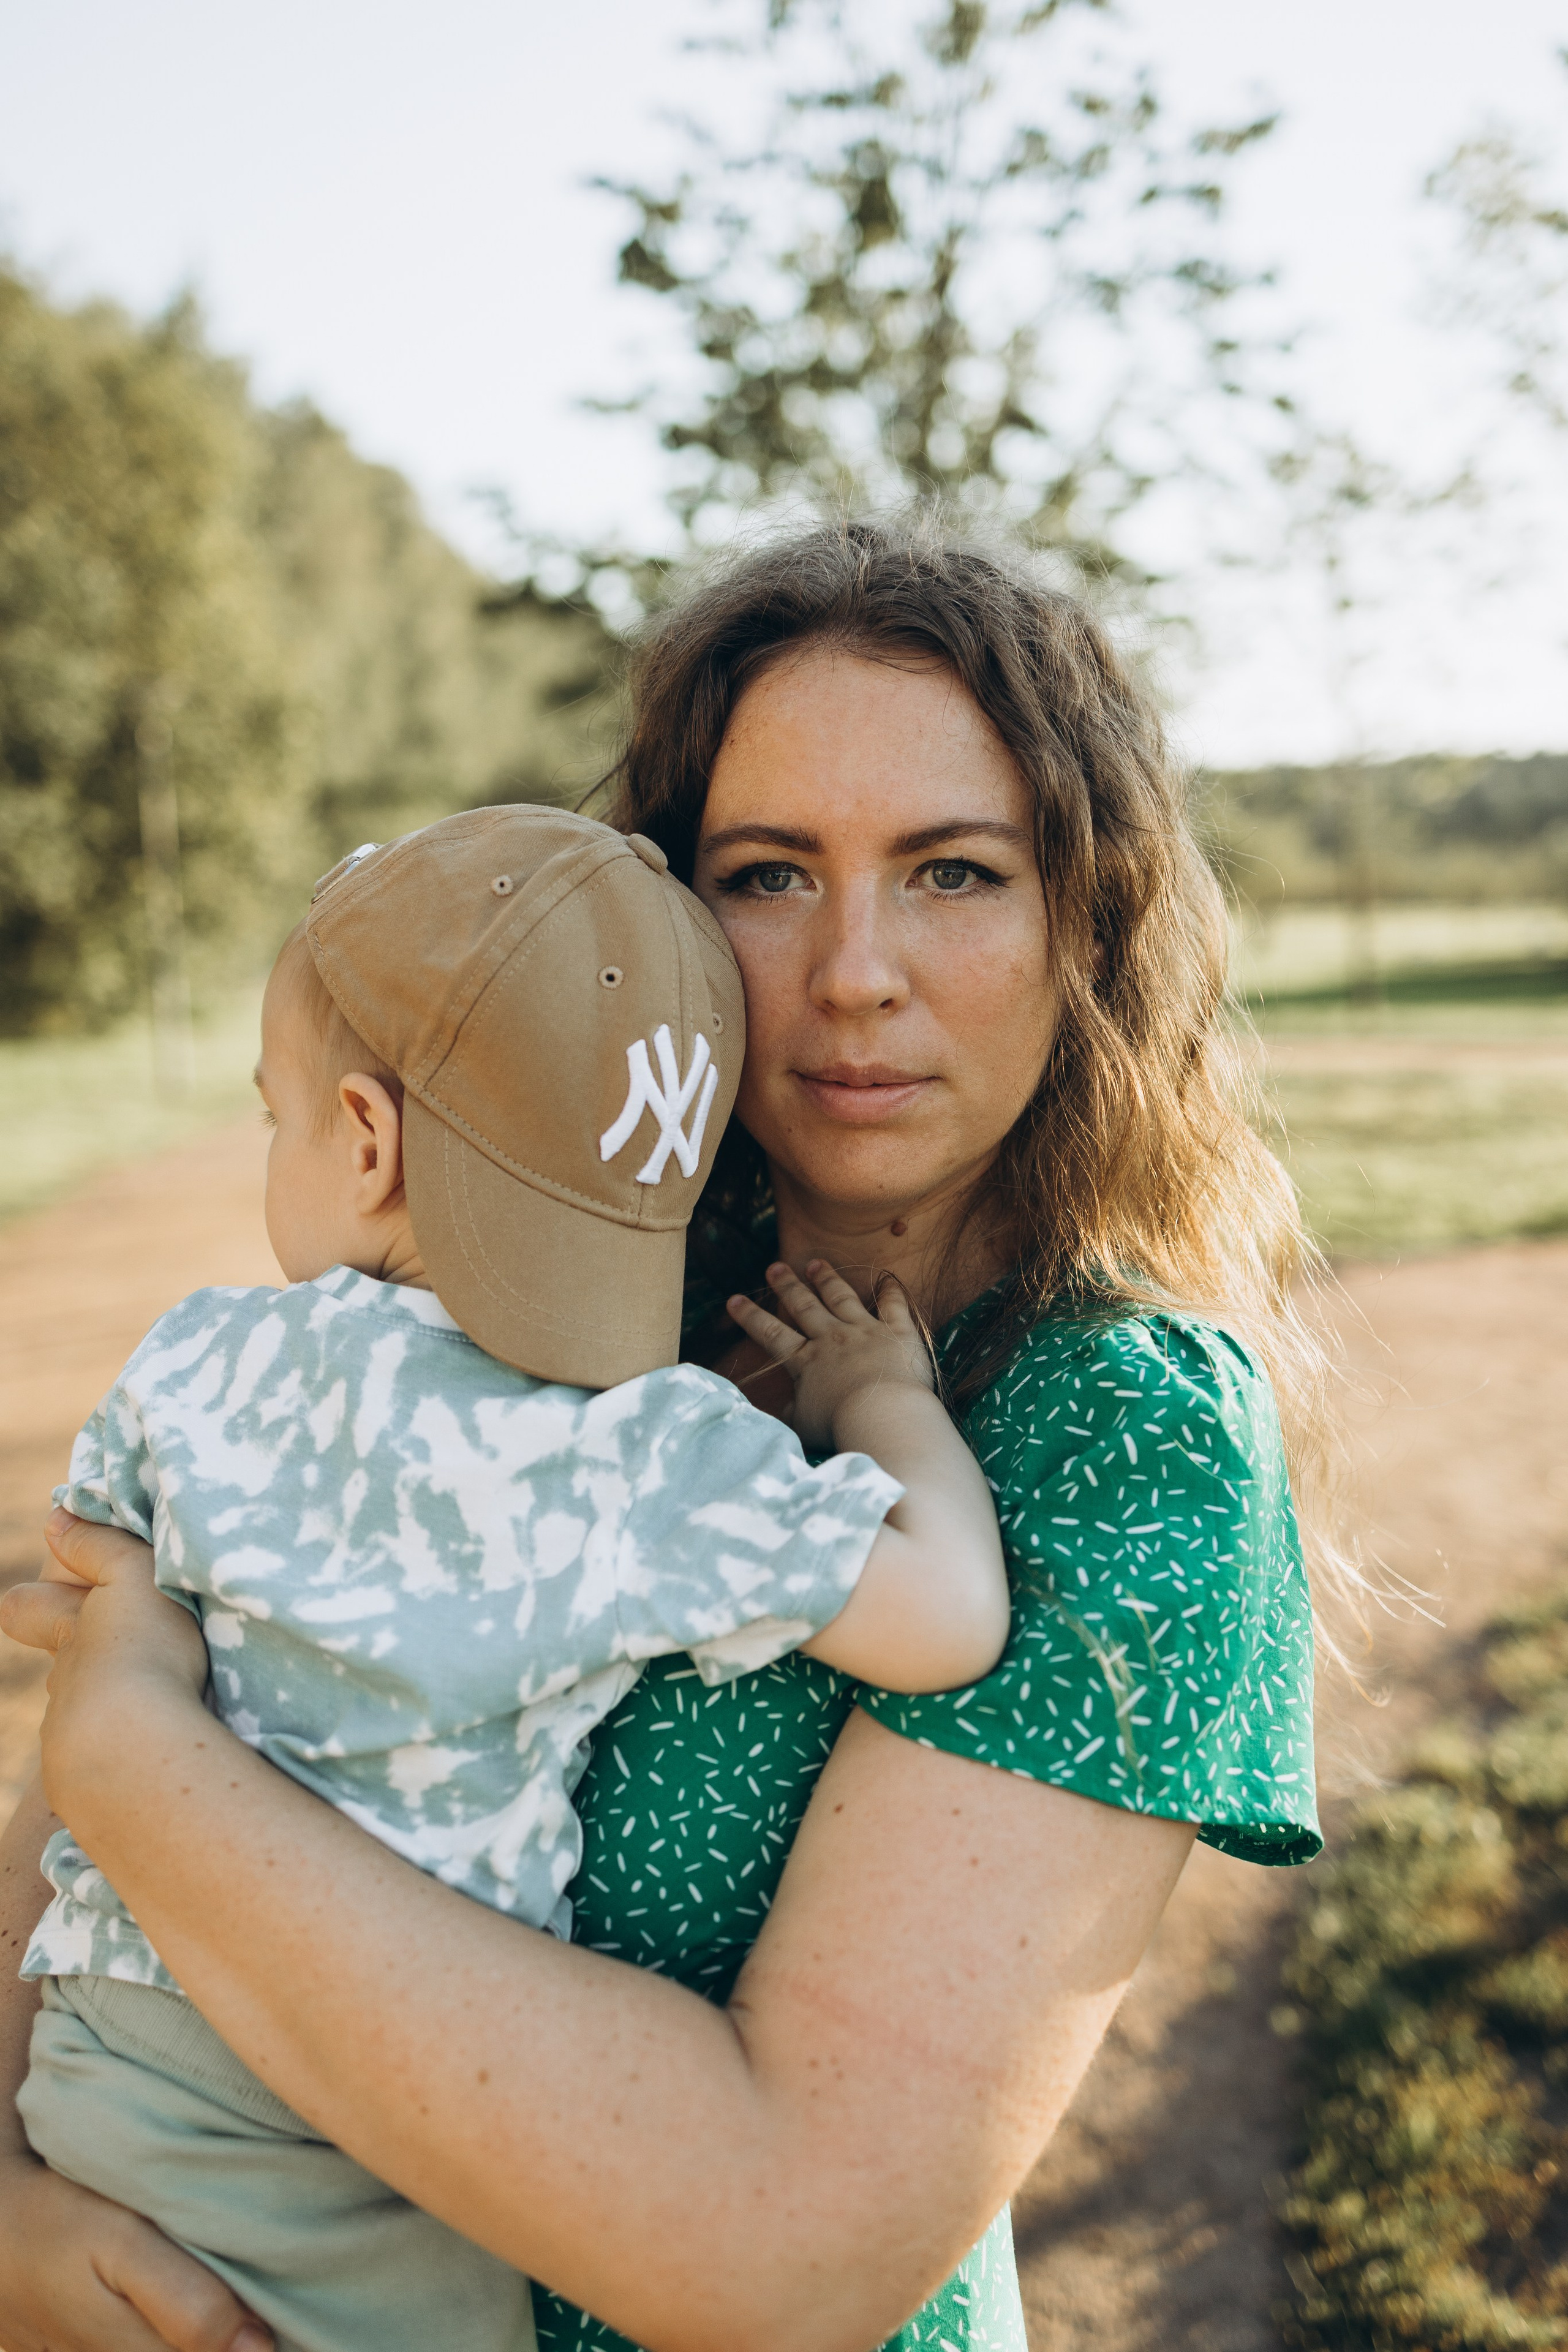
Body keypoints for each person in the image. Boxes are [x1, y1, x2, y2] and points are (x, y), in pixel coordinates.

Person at [0, 517, 1330, 2352]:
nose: (856, 970)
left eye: (953, 873)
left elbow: (783, 2249)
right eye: (770, 874)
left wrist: (136, 1755)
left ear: (1084, 920)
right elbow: (67, 1820)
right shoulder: (525, 1304)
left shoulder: (1117, 1424)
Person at [12, 802, 1008, 2352]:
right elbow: (946, 1616)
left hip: (103, 2055)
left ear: (362, 1137)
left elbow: (81, 1661)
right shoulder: (626, 1450)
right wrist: (879, 1394)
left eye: (272, 1115)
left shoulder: (189, 1363)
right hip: (376, 2120)